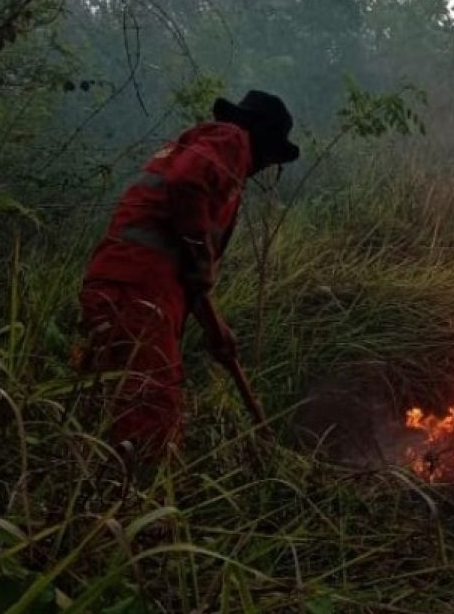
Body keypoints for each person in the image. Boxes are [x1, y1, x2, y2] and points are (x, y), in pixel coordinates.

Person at [77, 91, 299, 458]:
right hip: (136, 289)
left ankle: (100, 495)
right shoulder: (231, 139)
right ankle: (142, 503)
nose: (264, 166)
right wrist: (201, 255)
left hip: (127, 284)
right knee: (151, 410)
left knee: (114, 405)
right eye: (272, 154)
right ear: (260, 136)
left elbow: (185, 269)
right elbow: (186, 185)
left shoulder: (209, 154)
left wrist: (216, 330)